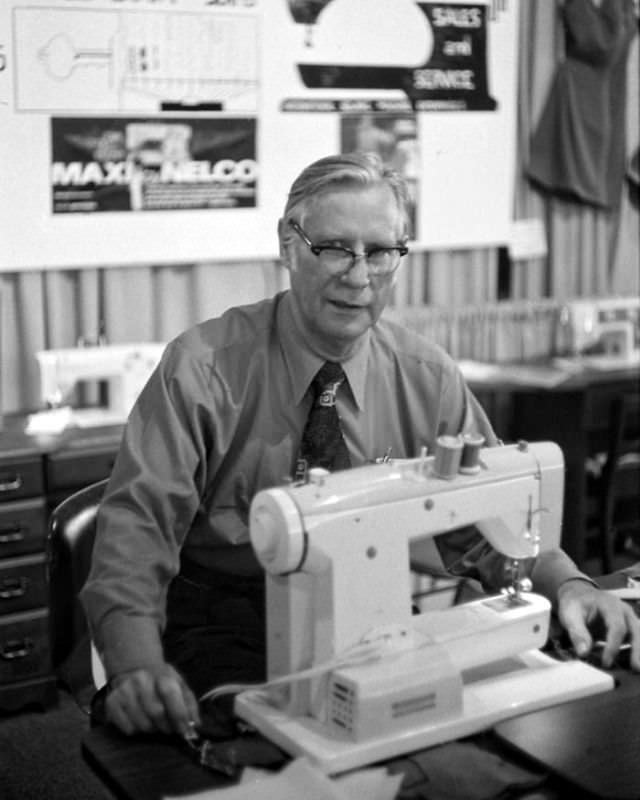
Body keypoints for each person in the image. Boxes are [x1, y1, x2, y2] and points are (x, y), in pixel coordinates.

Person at [81, 152, 640, 739]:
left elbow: (489, 523)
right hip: (220, 614)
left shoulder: (427, 377)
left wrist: (568, 583)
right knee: (259, 746)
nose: (358, 276)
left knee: (448, 732)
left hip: (366, 612)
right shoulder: (202, 370)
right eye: (334, 248)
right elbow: (135, 534)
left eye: (380, 252)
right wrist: (134, 664)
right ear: (288, 244)